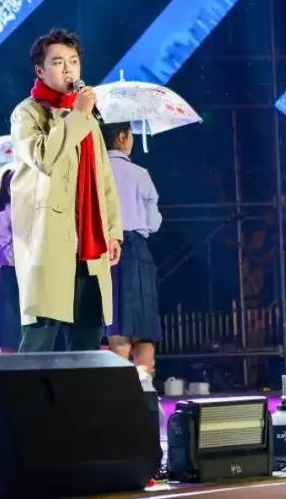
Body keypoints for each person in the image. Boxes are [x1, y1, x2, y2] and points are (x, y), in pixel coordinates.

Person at [9, 28, 123, 352]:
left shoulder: (87, 120)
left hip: (89, 244)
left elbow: (104, 180)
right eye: (58, 62)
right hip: (49, 242)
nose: (68, 70)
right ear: (40, 70)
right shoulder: (27, 113)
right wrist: (78, 115)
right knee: (39, 340)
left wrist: (113, 231)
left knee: (87, 342)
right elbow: (44, 156)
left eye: (73, 61)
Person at [102, 122, 162, 391]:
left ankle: (119, 392)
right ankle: (145, 389)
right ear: (123, 137)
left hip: (105, 252)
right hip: (137, 249)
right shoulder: (140, 173)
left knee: (116, 327)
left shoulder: (95, 172)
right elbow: (153, 222)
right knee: (143, 331)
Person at [0, 170, 20, 353]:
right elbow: (6, 257)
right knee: (10, 340)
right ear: (9, 189)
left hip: (28, 280)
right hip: (10, 281)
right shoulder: (2, 219)